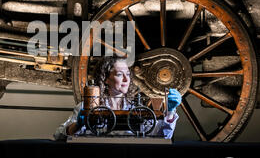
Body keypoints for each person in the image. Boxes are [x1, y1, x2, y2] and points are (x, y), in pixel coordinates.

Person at [54, 56, 182, 140]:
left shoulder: (138, 110)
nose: (126, 79)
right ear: (105, 78)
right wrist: (78, 124)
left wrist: (170, 112)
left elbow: (162, 137)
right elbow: (59, 135)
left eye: (128, 74)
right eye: (120, 74)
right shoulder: (86, 107)